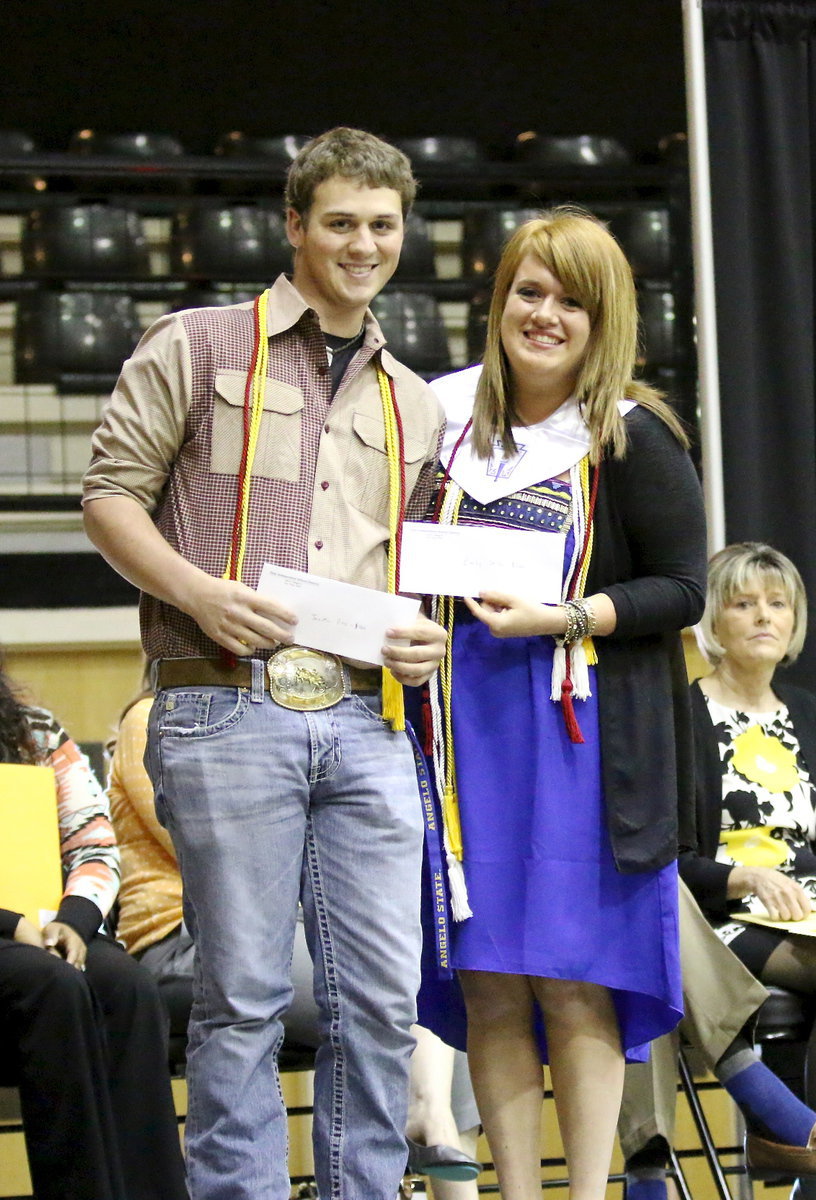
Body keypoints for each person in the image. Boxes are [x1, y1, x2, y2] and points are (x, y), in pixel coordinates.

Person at [81, 126, 447, 1200]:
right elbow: (107, 495)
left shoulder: (414, 400)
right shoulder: (195, 343)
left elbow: (411, 569)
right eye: (338, 222)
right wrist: (196, 592)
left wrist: (423, 633)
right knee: (239, 996)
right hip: (223, 706)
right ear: (294, 226)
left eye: (381, 225)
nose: (361, 244)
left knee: (382, 1001)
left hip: (370, 718)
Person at [414, 207, 707, 1200]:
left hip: (580, 743)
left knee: (571, 981)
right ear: (497, 302)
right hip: (464, 739)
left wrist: (564, 616)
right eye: (527, 292)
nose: (544, 315)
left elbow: (682, 590)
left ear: (602, 319)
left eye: (569, 301)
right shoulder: (442, 425)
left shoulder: (631, 435)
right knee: (488, 980)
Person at [107, 690, 481, 1199]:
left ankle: (425, 1113)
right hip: (170, 932)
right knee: (249, 1004)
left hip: (365, 700)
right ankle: (427, 1113)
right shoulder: (148, 714)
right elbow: (196, 846)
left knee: (394, 1000)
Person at [0, 656, 187, 1200]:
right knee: (50, 983)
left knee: (125, 985)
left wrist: (75, 920)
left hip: (48, 920)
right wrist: (12, 925)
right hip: (11, 937)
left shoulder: (32, 731)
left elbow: (92, 840)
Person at [680, 541, 816, 1200]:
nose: (764, 617)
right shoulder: (683, 714)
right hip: (720, 914)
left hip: (810, 904)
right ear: (713, 620)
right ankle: (808, 1148)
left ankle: (805, 1158)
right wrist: (743, 879)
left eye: (777, 604)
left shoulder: (807, 714)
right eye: (743, 604)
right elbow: (667, 855)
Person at [619, 879, 816, 1200]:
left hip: (808, 910)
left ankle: (646, 1179)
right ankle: (775, 1112)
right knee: (645, 889)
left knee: (643, 901)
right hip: (711, 912)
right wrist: (745, 877)